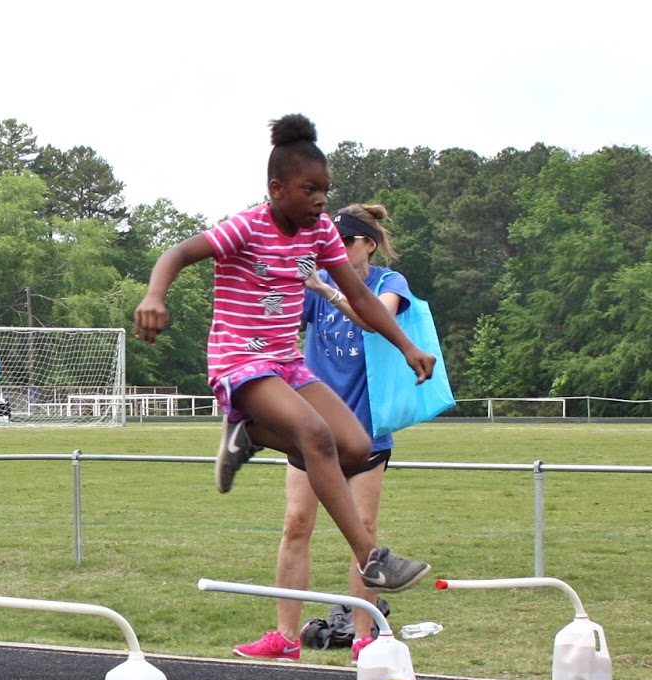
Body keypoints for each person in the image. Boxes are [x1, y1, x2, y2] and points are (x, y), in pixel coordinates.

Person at [133, 115, 436, 605]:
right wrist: (154, 296)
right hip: (239, 359)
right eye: (309, 189)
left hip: (286, 362)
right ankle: (372, 559)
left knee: (357, 448)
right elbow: (177, 253)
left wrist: (407, 346)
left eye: (325, 190)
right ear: (276, 189)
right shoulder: (247, 226)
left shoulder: (320, 234)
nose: (320, 201)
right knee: (314, 434)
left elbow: (360, 296)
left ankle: (249, 434)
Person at [234, 203, 415, 662]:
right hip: (310, 430)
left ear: (367, 244)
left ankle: (363, 639)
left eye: (345, 241)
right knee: (296, 524)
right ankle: (285, 637)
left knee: (364, 531)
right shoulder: (315, 282)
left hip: (366, 431)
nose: (334, 248)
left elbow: (375, 319)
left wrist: (324, 288)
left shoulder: (389, 283)